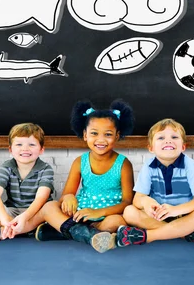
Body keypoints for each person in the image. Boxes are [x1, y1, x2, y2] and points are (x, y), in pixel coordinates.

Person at [34, 99, 135, 253]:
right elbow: (66, 195)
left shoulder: (124, 164)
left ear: (117, 136)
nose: (100, 139)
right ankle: (89, 236)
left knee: (118, 222)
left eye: (108, 134)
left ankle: (69, 232)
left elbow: (128, 202)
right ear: (85, 135)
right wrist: (68, 197)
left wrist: (98, 213)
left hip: (107, 215)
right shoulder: (80, 161)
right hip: (80, 213)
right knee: (50, 206)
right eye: (94, 133)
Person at [117, 118, 194, 246]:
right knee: (129, 212)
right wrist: (146, 202)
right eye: (161, 138)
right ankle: (186, 234)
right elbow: (137, 199)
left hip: (184, 214)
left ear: (183, 147)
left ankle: (149, 236)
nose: (168, 140)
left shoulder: (190, 165)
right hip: (158, 216)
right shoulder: (148, 166)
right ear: (151, 148)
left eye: (174, 137)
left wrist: (176, 210)